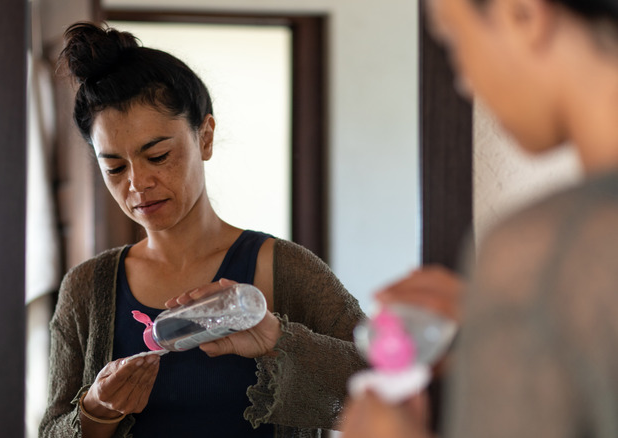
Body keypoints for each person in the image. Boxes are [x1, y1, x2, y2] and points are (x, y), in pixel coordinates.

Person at [39, 22, 367, 438]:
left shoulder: (282, 268)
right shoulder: (87, 289)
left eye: (157, 155)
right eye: (115, 168)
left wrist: (277, 338)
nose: (137, 184)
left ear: (205, 137)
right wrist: (96, 410)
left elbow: (386, 383)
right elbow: (51, 430)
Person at [340, 0, 618, 437]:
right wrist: (514, 322)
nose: (465, 82)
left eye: (453, 39)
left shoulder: (546, 244)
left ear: (523, 14)